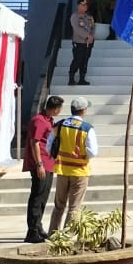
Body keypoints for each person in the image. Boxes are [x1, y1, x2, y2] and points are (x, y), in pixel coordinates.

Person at [47, 97, 98, 233]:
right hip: (79, 171)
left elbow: (49, 147)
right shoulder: (87, 128)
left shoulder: (59, 125)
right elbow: (93, 152)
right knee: (74, 207)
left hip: (62, 170)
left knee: (59, 205)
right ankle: (67, 238)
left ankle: (53, 235)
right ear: (83, 110)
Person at [22, 96, 63, 243]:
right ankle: (32, 231)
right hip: (41, 164)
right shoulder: (39, 120)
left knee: (44, 197)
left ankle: (38, 226)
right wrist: (39, 164)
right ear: (56, 108)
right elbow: (35, 143)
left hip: (49, 162)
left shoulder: (49, 120)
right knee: (37, 196)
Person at [67, 0, 96, 85]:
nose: (85, 7)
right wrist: (87, 36)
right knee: (77, 60)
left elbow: (93, 27)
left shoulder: (89, 17)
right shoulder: (75, 16)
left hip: (88, 43)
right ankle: (71, 78)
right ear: (78, 6)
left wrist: (92, 36)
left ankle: (82, 79)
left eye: (86, 5)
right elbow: (77, 29)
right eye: (83, 5)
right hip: (79, 42)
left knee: (85, 60)